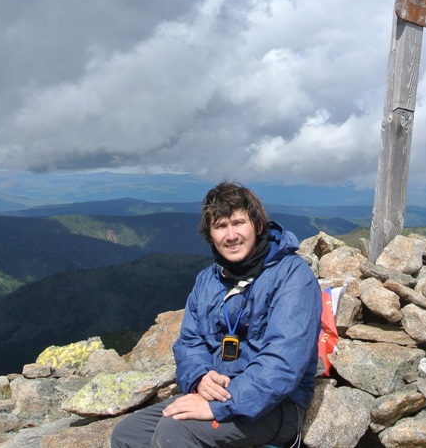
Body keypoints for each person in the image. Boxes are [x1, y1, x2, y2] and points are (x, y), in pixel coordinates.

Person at [111, 181, 322, 448]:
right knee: (128, 433)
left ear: (258, 226)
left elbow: (283, 362)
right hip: (219, 393)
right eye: (221, 226)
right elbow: (189, 342)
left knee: (176, 432)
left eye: (238, 223)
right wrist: (200, 378)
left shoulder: (292, 276)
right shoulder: (208, 281)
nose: (231, 235)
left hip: (276, 404)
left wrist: (221, 405)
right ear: (211, 235)